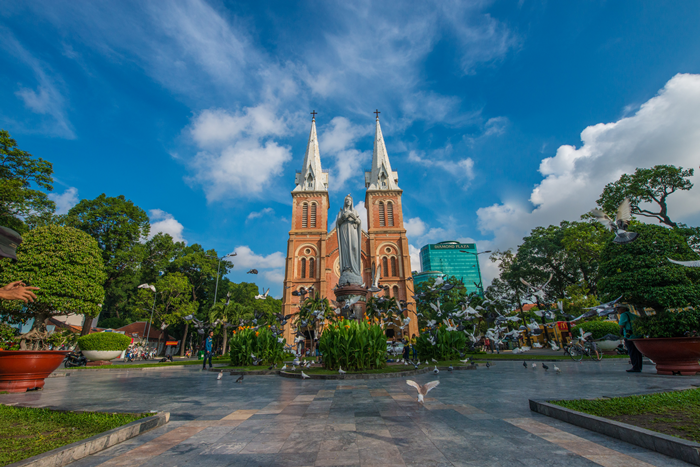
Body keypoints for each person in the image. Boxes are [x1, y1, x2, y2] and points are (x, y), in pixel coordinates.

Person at [618, 306, 642, 372]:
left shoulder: (624, 314)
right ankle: (639, 366)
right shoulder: (633, 315)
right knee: (638, 352)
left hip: (630, 336)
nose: (618, 310)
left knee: (632, 351)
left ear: (624, 309)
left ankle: (635, 367)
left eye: (619, 309)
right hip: (637, 336)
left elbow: (621, 325)